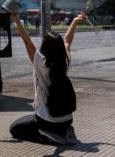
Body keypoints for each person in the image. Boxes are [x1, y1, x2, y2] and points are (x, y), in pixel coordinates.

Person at [9, 13, 86, 145]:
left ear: (45, 47)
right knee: (31, 122)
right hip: (67, 120)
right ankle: (65, 131)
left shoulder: (40, 63)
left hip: (47, 121)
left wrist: (17, 21)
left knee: (15, 129)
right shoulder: (65, 62)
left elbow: (27, 41)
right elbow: (67, 41)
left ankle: (48, 136)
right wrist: (74, 22)